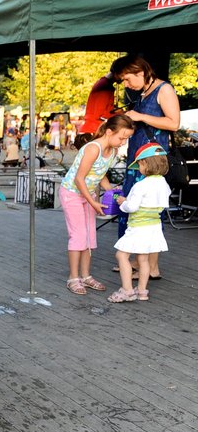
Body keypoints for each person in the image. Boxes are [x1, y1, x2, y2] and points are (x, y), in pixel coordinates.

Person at [112, 55, 180, 280]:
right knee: (136, 211)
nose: (126, 84)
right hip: (138, 159)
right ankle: (136, 261)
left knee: (148, 211)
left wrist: (139, 115)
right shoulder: (143, 92)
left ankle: (150, 267)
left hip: (152, 161)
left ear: (140, 71)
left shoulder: (164, 89)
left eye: (127, 79)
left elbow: (174, 123)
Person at [59, 115, 134, 295]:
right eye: (121, 137)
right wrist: (94, 202)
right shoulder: (93, 148)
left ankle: (85, 276)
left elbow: (100, 174)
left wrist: (110, 192)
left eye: (127, 139)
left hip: (88, 193)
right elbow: (79, 179)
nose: (123, 142)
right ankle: (73, 277)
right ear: (109, 132)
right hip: (73, 193)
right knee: (78, 235)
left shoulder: (112, 151)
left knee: (89, 236)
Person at [109, 144, 170, 303]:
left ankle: (127, 290)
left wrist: (123, 202)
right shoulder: (164, 184)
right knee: (143, 259)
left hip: (138, 227)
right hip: (154, 226)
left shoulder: (141, 185)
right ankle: (142, 291)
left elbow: (132, 207)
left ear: (146, 164)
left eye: (140, 164)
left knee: (121, 255)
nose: (139, 168)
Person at [77, 69, 117, 149]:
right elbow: (100, 114)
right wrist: (119, 114)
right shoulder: (105, 86)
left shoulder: (102, 84)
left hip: (92, 128)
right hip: (95, 128)